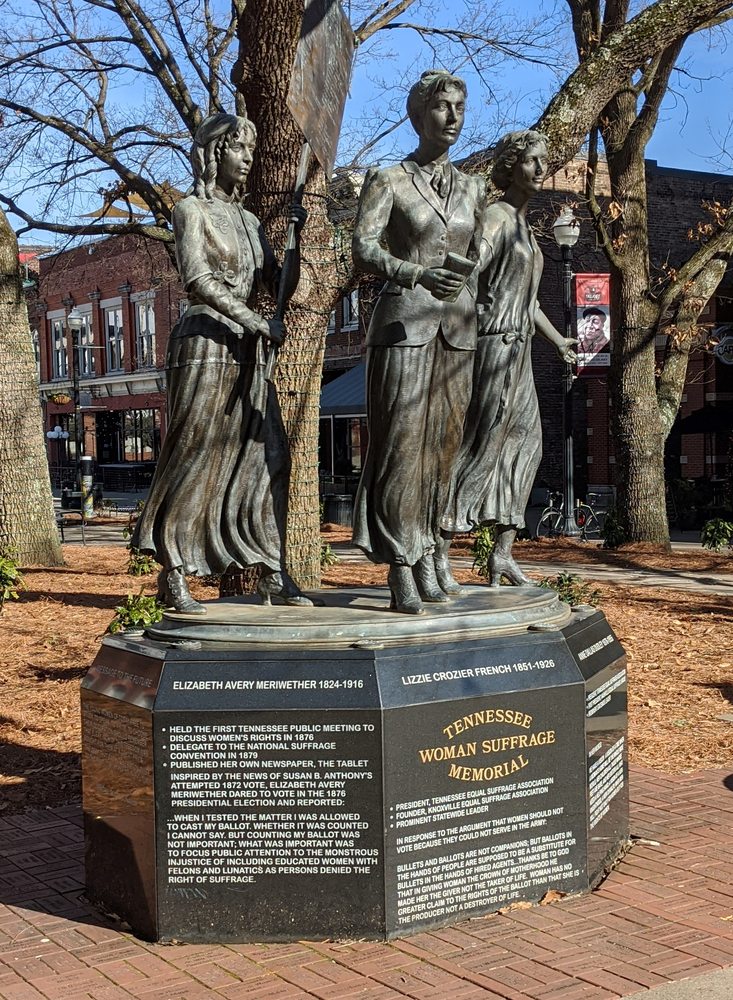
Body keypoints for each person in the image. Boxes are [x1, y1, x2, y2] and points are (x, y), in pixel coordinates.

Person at [131, 112, 311, 613]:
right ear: (214, 154)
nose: (248, 158)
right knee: (196, 454)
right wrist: (254, 321)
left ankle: (271, 567)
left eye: (252, 150)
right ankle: (175, 572)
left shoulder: (251, 222)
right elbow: (198, 281)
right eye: (238, 148)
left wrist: (294, 237)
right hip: (205, 346)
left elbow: (278, 285)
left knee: (271, 454)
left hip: (247, 353)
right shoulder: (191, 210)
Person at [351, 70, 486, 614]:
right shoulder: (388, 179)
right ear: (417, 113)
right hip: (403, 326)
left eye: (459, 107)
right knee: (402, 449)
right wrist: (412, 273)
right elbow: (362, 248)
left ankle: (432, 551)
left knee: (443, 451)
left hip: (457, 331)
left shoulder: (473, 187)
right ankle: (400, 565)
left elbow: (476, 253)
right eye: (441, 107)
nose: (452, 117)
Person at [445, 129, 576, 587]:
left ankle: (500, 554)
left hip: (519, 348)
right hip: (494, 346)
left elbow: (531, 300)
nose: (542, 169)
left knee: (527, 445)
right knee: (480, 444)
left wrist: (558, 342)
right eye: (532, 160)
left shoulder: (525, 227)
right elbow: (469, 269)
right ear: (510, 166)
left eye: (545, 161)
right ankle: (440, 546)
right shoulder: (497, 217)